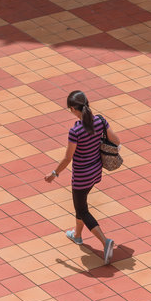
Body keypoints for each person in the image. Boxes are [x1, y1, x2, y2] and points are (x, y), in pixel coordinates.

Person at [44, 90, 121, 264]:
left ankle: (105, 242)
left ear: (72, 109)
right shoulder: (101, 121)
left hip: (81, 178)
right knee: (81, 204)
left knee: (82, 210)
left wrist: (54, 174)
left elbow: (67, 158)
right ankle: (77, 235)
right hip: (96, 173)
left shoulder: (75, 131)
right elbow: (116, 140)